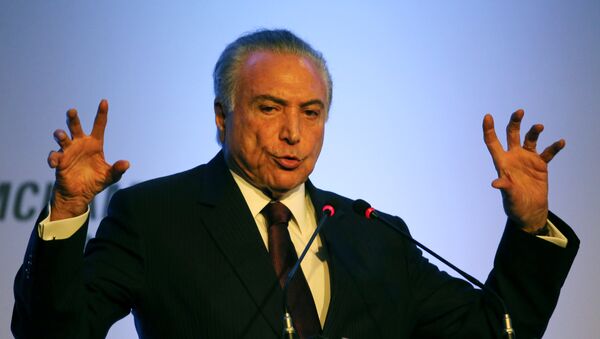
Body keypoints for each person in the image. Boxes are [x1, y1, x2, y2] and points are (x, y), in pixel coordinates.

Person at [12, 29, 578, 339]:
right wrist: (66, 209)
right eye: (268, 108)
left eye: (311, 112)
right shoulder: (154, 216)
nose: (292, 133)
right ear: (221, 116)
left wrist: (529, 228)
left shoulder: (372, 235)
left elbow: (496, 333)